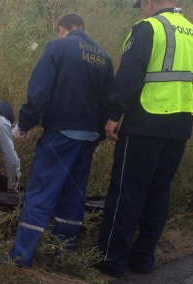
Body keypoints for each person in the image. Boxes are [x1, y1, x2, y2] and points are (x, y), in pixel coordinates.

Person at [96, 0, 193, 278]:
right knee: (159, 191)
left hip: (146, 122)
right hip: (181, 123)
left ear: (151, 2)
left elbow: (129, 77)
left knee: (127, 191)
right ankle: (143, 258)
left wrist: (114, 116)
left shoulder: (148, 28)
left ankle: (111, 260)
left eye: (142, 4)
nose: (142, 9)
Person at [9, 13, 114, 267]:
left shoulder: (59, 46)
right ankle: (61, 253)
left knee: (41, 193)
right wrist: (98, 135)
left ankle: (22, 256)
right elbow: (108, 101)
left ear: (61, 29)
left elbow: (40, 90)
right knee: (73, 196)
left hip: (60, 133)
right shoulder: (104, 57)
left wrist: (24, 124)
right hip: (88, 137)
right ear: (84, 28)